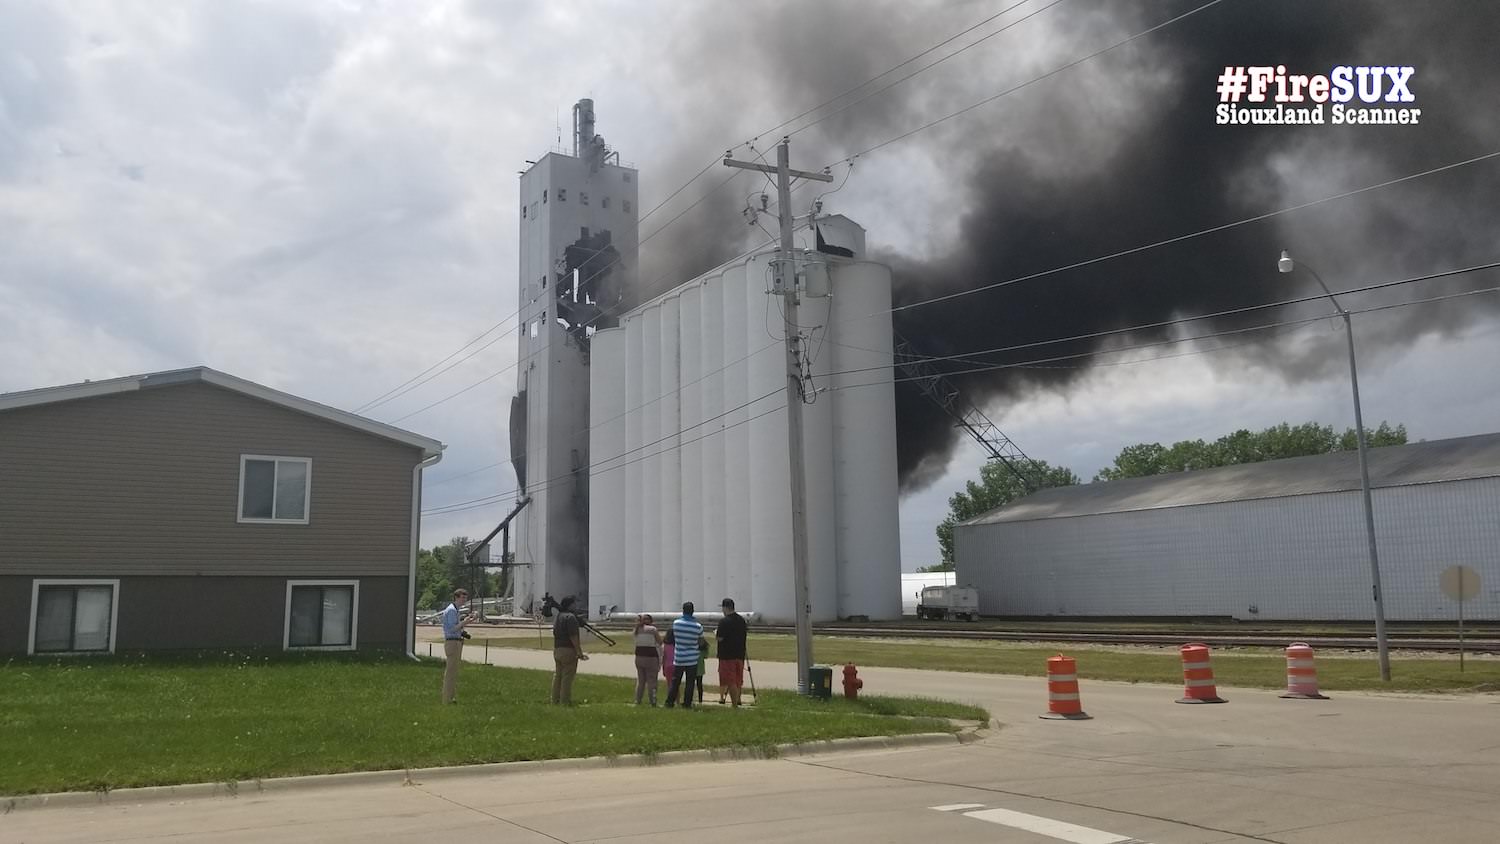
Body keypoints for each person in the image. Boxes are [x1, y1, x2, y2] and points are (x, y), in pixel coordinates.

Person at [550, 596, 588, 705]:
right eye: (574, 604)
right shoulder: (571, 618)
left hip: (557, 649)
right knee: (567, 677)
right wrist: (579, 652)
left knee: (558, 675)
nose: (576, 606)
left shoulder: (558, 617)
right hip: (568, 650)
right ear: (570, 605)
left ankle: (554, 699)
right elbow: (573, 637)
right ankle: (565, 701)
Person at [440, 588, 476, 704]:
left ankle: (451, 697)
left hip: (457, 641)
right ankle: (446, 699)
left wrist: (464, 630)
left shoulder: (456, 610)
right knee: (450, 671)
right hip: (452, 642)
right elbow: (451, 628)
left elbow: (457, 628)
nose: (464, 600)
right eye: (462, 597)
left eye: (465, 597)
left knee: (454, 671)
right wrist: (465, 622)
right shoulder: (451, 611)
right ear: (456, 597)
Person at [665, 602, 703, 709]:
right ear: (693, 611)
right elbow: (700, 642)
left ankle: (669, 702)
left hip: (679, 656)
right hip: (692, 658)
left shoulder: (676, 623)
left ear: (683, 610)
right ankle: (687, 703)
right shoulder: (698, 627)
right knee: (690, 682)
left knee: (675, 681)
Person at [715, 597, 749, 707]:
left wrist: (716, 633)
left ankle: (734, 704)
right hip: (740, 653)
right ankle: (738, 699)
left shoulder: (724, 622)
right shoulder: (741, 620)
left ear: (725, 608)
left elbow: (720, 638)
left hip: (727, 655)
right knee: (738, 679)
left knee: (730, 680)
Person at [633, 614, 662, 706]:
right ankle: (652, 701)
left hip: (639, 657)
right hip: (651, 657)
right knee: (652, 680)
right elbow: (660, 642)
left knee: (641, 681)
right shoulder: (652, 629)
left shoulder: (636, 630)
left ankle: (638, 700)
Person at [694, 635, 710, 704]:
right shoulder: (703, 650)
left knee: (691, 684)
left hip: (692, 667)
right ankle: (700, 700)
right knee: (699, 685)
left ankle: (691, 699)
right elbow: (706, 657)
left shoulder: (694, 649)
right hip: (700, 669)